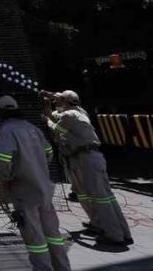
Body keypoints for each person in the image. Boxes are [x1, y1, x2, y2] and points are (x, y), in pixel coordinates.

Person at [41, 89, 132, 246]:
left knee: (100, 197)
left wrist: (46, 121)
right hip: (83, 158)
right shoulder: (79, 112)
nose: (56, 101)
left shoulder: (69, 116)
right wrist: (50, 99)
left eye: (59, 99)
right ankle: (108, 227)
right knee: (98, 195)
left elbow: (57, 127)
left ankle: (114, 235)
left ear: (65, 102)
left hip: (86, 158)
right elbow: (56, 114)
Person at [0, 96, 71, 271]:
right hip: (44, 188)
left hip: (24, 190)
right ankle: (62, 267)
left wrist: (7, 178)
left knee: (34, 237)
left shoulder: (6, 131)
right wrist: (39, 167)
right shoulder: (32, 128)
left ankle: (42, 268)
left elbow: (4, 159)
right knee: (53, 233)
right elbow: (49, 152)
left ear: (0, 112)